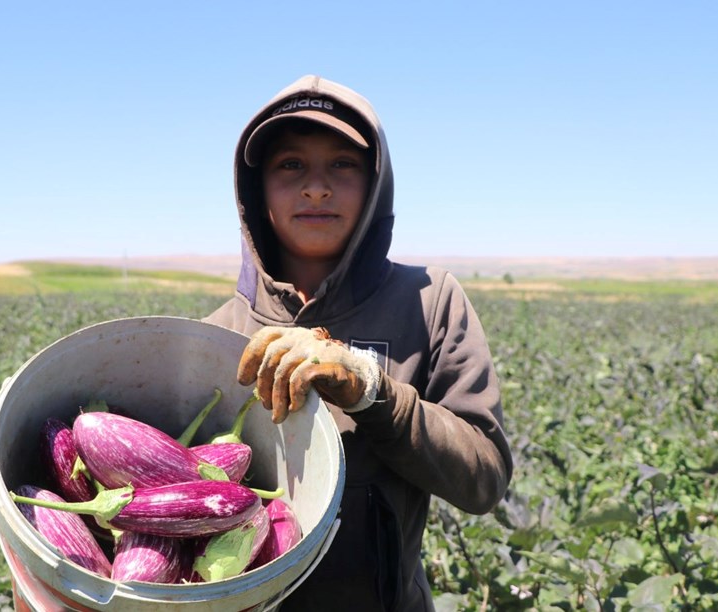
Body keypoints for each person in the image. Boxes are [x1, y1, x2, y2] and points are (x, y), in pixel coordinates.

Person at [204, 75, 513, 611]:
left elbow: (483, 480)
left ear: (375, 185)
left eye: (343, 165)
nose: (316, 187)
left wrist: (372, 391)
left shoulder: (429, 301)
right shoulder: (218, 334)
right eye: (290, 165)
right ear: (256, 191)